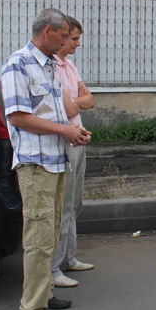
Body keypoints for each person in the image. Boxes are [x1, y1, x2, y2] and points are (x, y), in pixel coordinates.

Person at [1, 8, 91, 310]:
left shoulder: (52, 65)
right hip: (35, 165)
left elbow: (59, 112)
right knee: (38, 238)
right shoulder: (17, 64)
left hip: (56, 161)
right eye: (65, 35)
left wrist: (73, 132)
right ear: (49, 31)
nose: (68, 41)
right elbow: (19, 117)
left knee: (50, 232)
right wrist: (65, 131)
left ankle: (45, 294)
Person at [52, 16, 95, 288]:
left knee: (74, 203)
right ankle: (53, 268)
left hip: (78, 139)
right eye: (75, 38)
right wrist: (78, 102)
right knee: (62, 207)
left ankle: (69, 258)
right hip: (64, 142)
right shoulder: (50, 67)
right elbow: (68, 109)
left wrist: (77, 102)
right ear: (62, 37)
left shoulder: (69, 66)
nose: (78, 44)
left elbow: (88, 100)